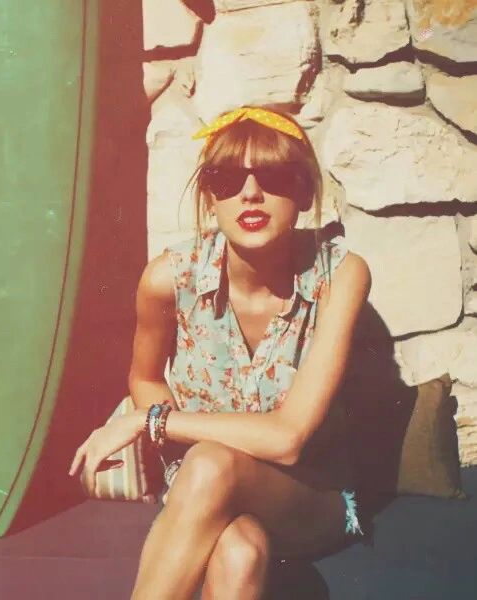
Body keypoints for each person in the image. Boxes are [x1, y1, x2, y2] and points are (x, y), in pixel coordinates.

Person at [69, 105, 371, 599]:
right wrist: (172, 446)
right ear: (211, 199)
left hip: (306, 498)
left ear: (304, 190)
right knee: (238, 553)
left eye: (272, 175)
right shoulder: (169, 279)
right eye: (227, 178)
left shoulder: (340, 275)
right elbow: (145, 379)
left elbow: (288, 438)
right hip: (201, 488)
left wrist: (148, 424)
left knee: (212, 463)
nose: (250, 193)